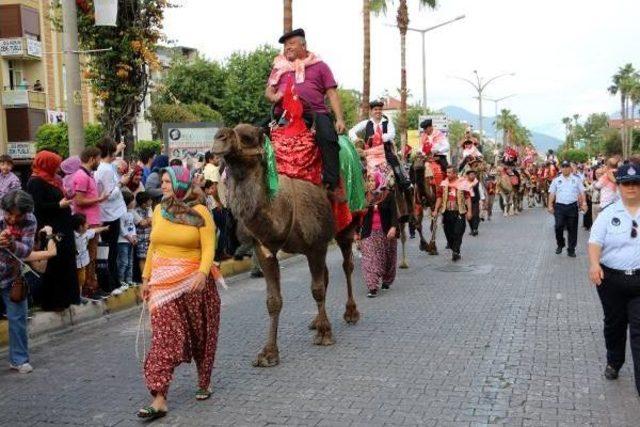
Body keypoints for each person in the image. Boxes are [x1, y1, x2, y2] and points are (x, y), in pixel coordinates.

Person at [138, 166, 222, 420]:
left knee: (200, 336)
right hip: (162, 285)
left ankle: (204, 380)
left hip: (194, 283)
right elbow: (153, 246)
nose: (163, 186)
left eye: (167, 181)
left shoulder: (201, 212)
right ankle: (159, 397)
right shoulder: (159, 210)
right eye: (162, 181)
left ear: (181, 184)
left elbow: (209, 247)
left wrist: (201, 273)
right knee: (166, 337)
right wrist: (145, 277)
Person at [265, 28, 345, 195]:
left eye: (291, 43)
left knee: (328, 138)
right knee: (254, 133)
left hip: (314, 112)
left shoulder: (320, 66)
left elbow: (331, 93)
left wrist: (339, 119)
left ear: (303, 45)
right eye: (285, 45)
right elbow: (268, 91)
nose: (287, 47)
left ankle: (331, 184)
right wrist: (274, 97)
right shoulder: (279, 67)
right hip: (284, 114)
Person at [587, 162, 640, 396]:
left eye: (636, 183)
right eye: (626, 183)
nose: (631, 188)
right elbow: (595, 242)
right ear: (618, 186)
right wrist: (594, 263)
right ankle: (614, 361)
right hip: (612, 281)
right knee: (614, 324)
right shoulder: (608, 213)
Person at [26, 151, 80, 310]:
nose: (57, 168)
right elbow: (37, 207)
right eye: (54, 164)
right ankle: (55, 301)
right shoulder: (35, 182)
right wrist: (58, 205)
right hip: (51, 228)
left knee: (66, 261)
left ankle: (69, 298)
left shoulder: (54, 179)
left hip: (63, 225)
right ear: (46, 164)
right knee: (55, 264)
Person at [0, 190, 36, 373]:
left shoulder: (30, 220)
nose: (13, 219)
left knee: (18, 318)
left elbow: (27, 250)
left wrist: (13, 243)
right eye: (9, 214)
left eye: (17, 216)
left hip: (11, 277)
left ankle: (19, 359)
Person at [348, 100, 411, 191]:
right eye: (375, 109)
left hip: (385, 151)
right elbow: (351, 131)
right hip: (369, 154)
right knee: (359, 166)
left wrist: (381, 137)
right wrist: (356, 139)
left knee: (395, 163)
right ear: (371, 111)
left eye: (380, 109)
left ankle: (404, 184)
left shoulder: (387, 123)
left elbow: (392, 134)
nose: (378, 111)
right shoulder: (366, 123)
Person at [71, 147, 108, 299]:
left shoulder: (88, 174)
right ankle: (89, 288)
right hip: (87, 223)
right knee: (89, 258)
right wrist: (99, 199)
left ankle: (92, 285)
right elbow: (78, 200)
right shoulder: (81, 176)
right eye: (98, 159)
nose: (99, 162)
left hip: (92, 221)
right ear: (92, 159)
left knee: (92, 257)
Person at [358, 171, 398, 298]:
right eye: (368, 181)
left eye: (372, 180)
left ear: (379, 181)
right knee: (370, 260)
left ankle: (386, 280)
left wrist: (394, 227)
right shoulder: (365, 197)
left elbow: (394, 214)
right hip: (368, 234)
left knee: (388, 258)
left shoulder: (388, 195)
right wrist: (355, 233)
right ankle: (372, 286)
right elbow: (358, 216)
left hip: (385, 233)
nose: (370, 183)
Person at [95, 138, 128, 293]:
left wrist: (119, 148)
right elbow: (109, 194)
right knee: (110, 251)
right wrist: (122, 183)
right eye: (113, 150)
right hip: (109, 214)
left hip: (109, 213)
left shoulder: (106, 166)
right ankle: (110, 284)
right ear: (108, 152)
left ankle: (113, 282)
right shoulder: (106, 170)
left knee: (110, 251)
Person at [548, 160, 587, 257]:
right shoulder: (556, 180)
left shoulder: (576, 179)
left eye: (567, 167)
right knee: (558, 226)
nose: (565, 169)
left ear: (570, 168)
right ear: (561, 168)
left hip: (572, 206)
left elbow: (582, 192)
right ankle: (560, 244)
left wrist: (584, 203)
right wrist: (549, 205)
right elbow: (552, 193)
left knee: (572, 229)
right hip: (559, 207)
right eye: (563, 167)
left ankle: (571, 249)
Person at [434, 166, 472, 261]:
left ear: (455, 173)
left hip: (459, 211)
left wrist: (470, 211)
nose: (448, 174)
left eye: (450, 172)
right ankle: (454, 248)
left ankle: (456, 251)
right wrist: (435, 210)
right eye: (447, 172)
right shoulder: (443, 184)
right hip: (446, 212)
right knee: (448, 233)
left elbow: (468, 198)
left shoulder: (463, 183)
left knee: (458, 232)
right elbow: (439, 197)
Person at [72, 214, 108, 302]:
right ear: (80, 227)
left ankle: (79, 297)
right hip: (73, 263)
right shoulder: (72, 236)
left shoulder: (86, 234)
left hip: (83, 262)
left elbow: (95, 230)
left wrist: (105, 228)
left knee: (81, 280)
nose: (88, 225)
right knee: (74, 280)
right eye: (86, 224)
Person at [117, 191, 137, 287]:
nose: (134, 203)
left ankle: (129, 280)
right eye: (133, 201)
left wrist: (134, 236)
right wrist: (129, 237)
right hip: (122, 241)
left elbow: (132, 227)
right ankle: (120, 280)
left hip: (130, 241)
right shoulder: (121, 214)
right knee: (123, 261)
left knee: (130, 261)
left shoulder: (130, 214)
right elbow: (121, 229)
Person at [133, 192, 152, 277]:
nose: (151, 201)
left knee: (149, 258)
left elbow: (152, 221)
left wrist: (148, 220)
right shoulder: (135, 211)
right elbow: (142, 223)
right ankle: (144, 277)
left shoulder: (149, 209)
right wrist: (148, 220)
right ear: (144, 202)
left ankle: (150, 276)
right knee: (142, 258)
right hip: (141, 239)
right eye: (149, 200)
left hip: (149, 238)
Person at [465, 169, 485, 236]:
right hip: (467, 201)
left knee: (475, 215)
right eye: (471, 175)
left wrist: (482, 199)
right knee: (469, 216)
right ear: (468, 176)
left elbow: (480, 191)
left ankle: (475, 229)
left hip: (475, 200)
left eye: (474, 175)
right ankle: (471, 228)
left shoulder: (477, 183)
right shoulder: (465, 183)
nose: (473, 176)